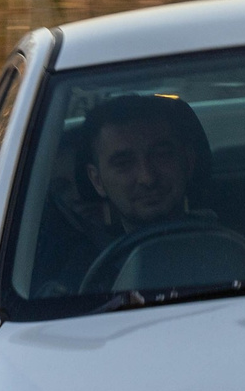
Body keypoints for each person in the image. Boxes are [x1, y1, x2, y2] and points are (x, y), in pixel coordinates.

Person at [31, 93, 214, 294]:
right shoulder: (76, 280)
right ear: (97, 180)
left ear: (188, 162)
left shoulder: (244, 246)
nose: (147, 178)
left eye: (160, 155)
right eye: (124, 163)